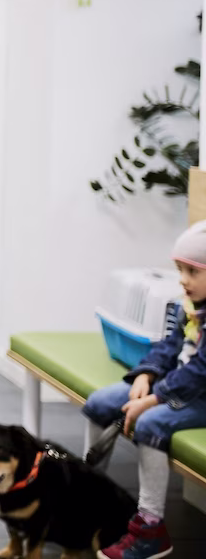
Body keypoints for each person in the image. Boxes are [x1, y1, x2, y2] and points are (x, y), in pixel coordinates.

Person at [83, 221, 206, 559]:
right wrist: (146, 375)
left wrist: (153, 399)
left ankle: (151, 529)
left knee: (150, 424)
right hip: (175, 386)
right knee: (99, 402)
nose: (183, 280)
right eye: (180, 270)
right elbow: (167, 347)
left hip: (200, 395)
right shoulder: (188, 306)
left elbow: (199, 373)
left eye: (192, 272)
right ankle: (89, 497)